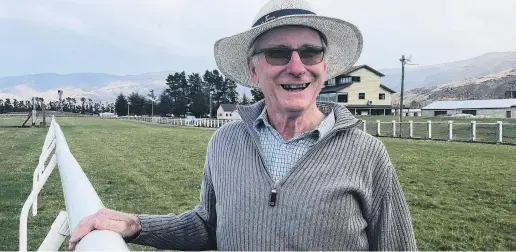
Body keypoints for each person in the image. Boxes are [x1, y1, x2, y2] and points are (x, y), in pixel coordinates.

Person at [69, 0, 417, 250]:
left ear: (324, 67)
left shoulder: (367, 154)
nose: (297, 67)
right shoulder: (225, 142)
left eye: (310, 52)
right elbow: (208, 226)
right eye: (278, 54)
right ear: (253, 71)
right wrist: (137, 225)